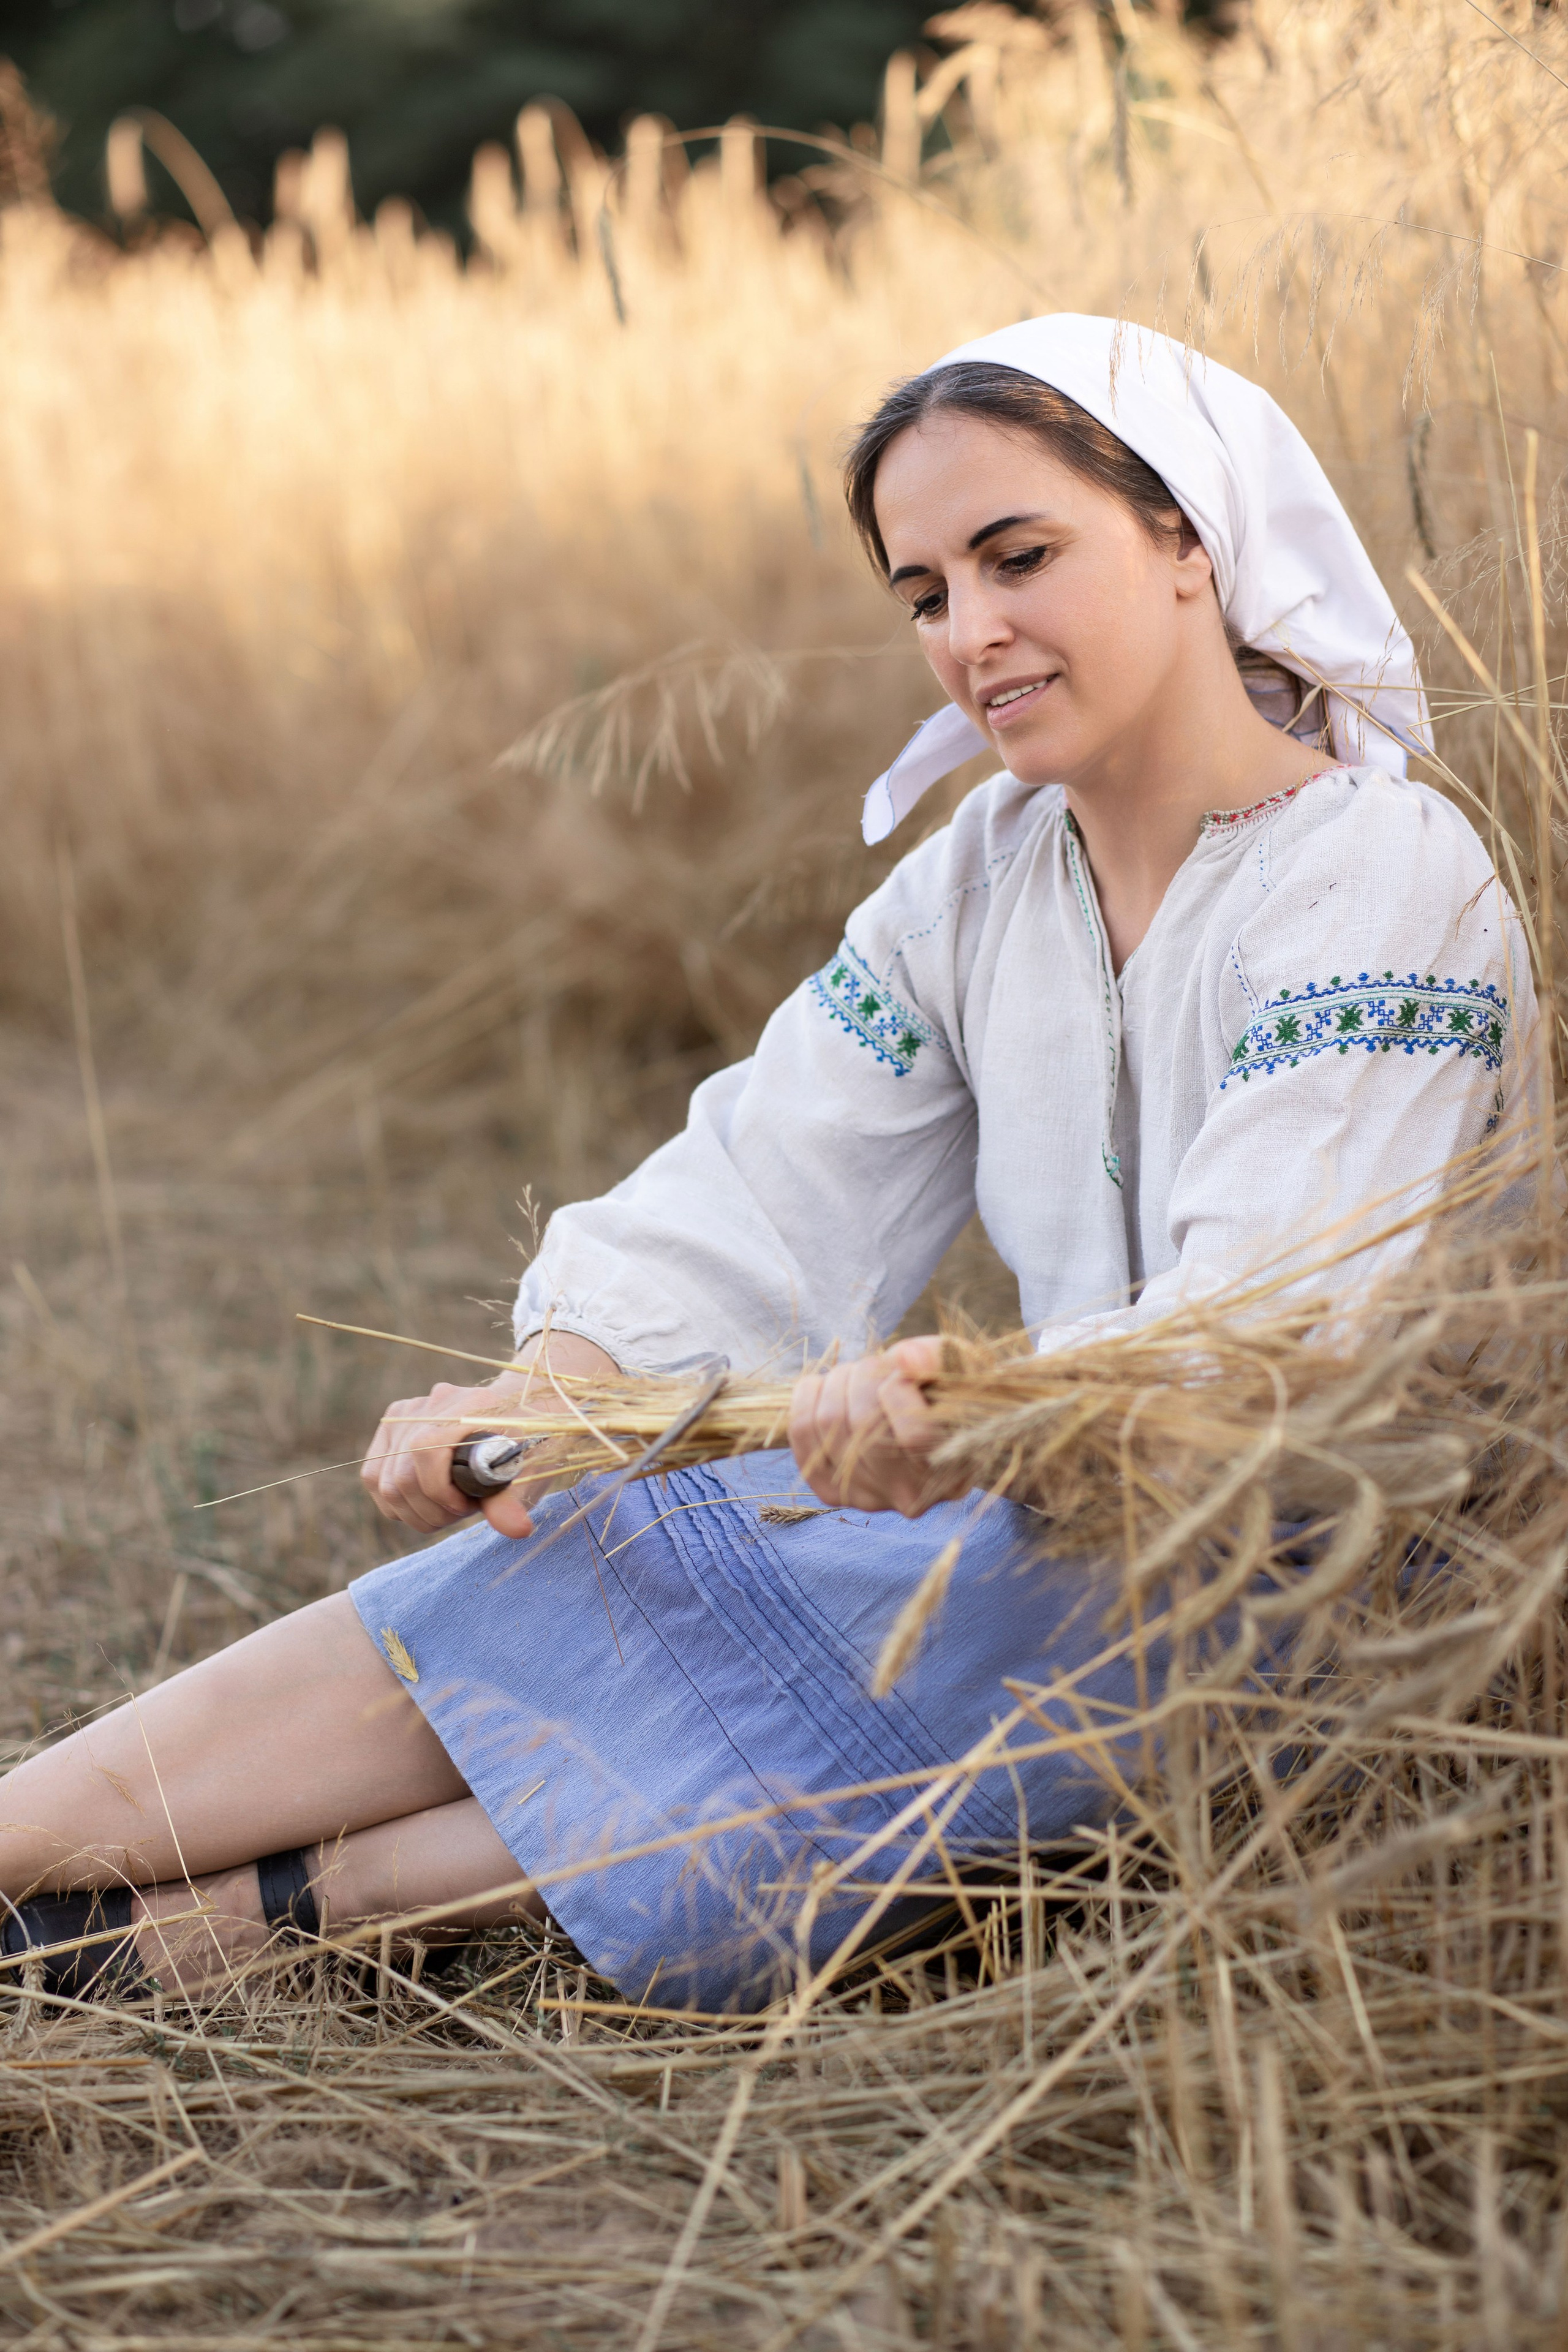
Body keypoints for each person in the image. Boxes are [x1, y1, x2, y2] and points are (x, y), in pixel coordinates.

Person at [1, 315, 1532, 2013]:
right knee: (565, 1553)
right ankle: (54, 1889)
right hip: (1017, 1510)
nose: (973, 632)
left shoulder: (1384, 877)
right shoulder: (985, 878)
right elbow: (764, 1178)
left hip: (1300, 1600)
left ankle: (179, 1949)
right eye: (927, 592)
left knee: (901, 1607)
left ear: (1189, 537)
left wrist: (979, 1416)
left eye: (1020, 556)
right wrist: (558, 1390)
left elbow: (1277, 1333)